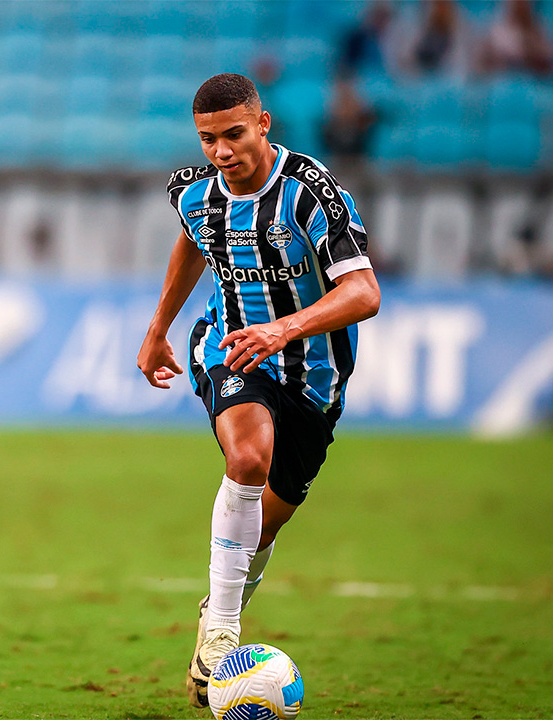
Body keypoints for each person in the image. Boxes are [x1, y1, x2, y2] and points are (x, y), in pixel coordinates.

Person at [135, 73, 381, 709]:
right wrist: (159, 329)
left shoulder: (309, 193)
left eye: (234, 134)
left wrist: (287, 327)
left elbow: (364, 293)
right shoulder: (196, 194)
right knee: (247, 457)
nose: (221, 151)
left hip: (315, 380)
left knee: (261, 531)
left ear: (263, 124)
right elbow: (194, 240)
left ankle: (213, 621)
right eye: (208, 139)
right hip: (229, 347)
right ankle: (223, 633)